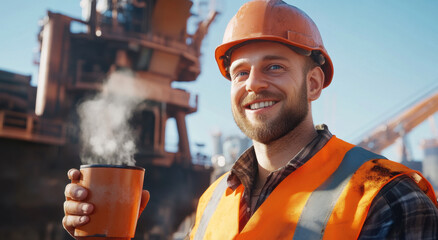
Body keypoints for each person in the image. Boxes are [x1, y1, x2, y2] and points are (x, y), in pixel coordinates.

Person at [63, 0, 438, 239]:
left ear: (313, 83)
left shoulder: (387, 197)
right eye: (240, 73)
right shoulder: (213, 200)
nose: (254, 84)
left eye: (274, 67)